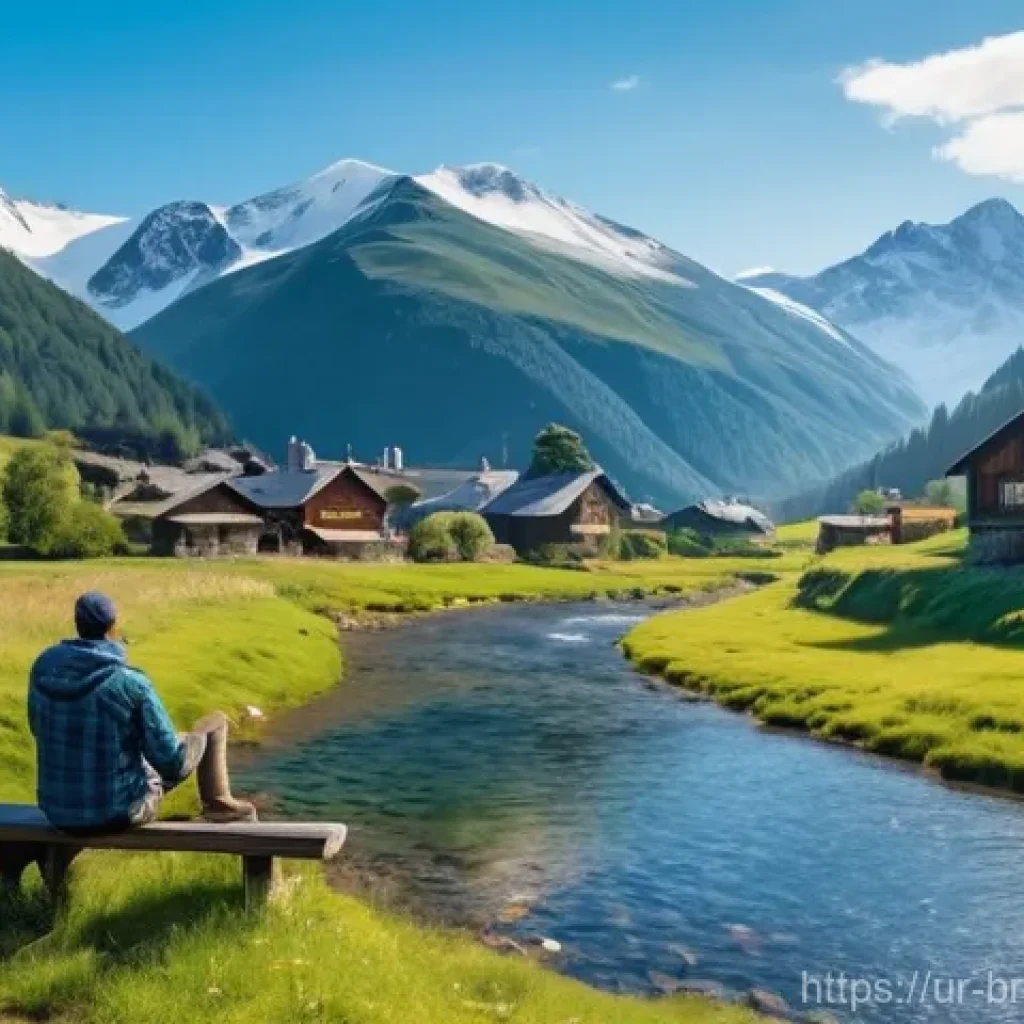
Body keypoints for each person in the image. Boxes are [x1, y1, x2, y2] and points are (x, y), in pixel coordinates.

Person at [28, 591, 256, 834]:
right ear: (113, 627)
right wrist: (197, 737)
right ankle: (219, 803)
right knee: (214, 723)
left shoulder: (43, 669)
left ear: (77, 623)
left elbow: (36, 727)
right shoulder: (130, 682)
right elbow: (173, 765)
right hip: (117, 812)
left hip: (57, 811)